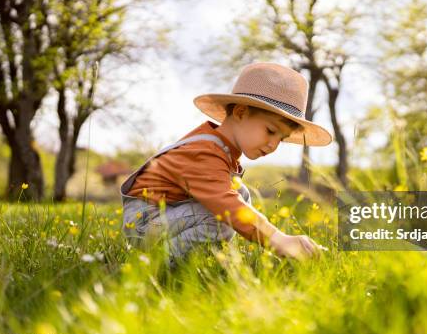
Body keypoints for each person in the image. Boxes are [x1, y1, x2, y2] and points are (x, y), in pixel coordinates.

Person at [119, 62, 332, 265]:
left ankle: (204, 260)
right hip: (144, 223)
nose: (273, 145)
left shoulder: (222, 149)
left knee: (242, 194)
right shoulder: (204, 152)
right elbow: (227, 206)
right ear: (240, 112)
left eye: (281, 139)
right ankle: (154, 265)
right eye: (270, 131)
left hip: (165, 217)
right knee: (223, 216)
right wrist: (276, 239)